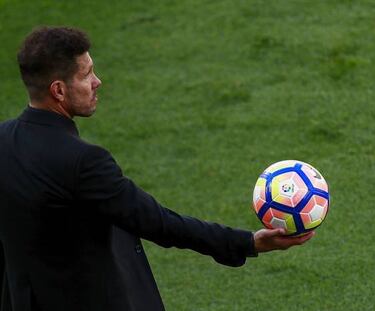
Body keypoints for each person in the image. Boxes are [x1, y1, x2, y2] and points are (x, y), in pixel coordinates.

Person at [0, 26, 314, 311]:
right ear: (58, 90)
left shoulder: (3, 140)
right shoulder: (84, 162)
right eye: (86, 75)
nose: (98, 82)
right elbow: (158, 222)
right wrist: (249, 242)